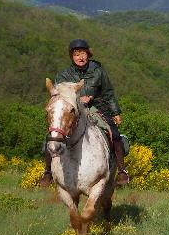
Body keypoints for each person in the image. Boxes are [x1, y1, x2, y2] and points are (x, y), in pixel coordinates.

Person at [39, 39, 130, 187]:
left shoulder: (98, 72)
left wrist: (115, 112)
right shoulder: (63, 75)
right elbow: (58, 96)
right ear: (71, 56)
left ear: (88, 54)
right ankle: (48, 172)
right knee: (53, 134)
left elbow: (108, 92)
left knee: (114, 132)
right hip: (72, 110)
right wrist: (78, 99)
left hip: (96, 108)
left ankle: (121, 170)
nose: (80, 57)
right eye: (76, 54)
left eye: (83, 53)